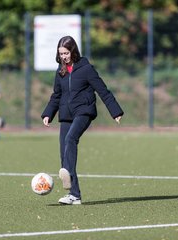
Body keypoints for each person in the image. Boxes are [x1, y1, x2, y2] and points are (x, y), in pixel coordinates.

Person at [41, 36, 124, 205]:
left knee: (71, 139)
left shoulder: (86, 69)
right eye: (60, 53)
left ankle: (68, 177)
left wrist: (115, 111)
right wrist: (48, 113)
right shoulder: (60, 70)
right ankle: (74, 195)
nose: (63, 56)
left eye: (66, 53)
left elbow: (103, 90)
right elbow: (56, 95)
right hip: (66, 114)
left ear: (73, 51)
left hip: (83, 112)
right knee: (64, 152)